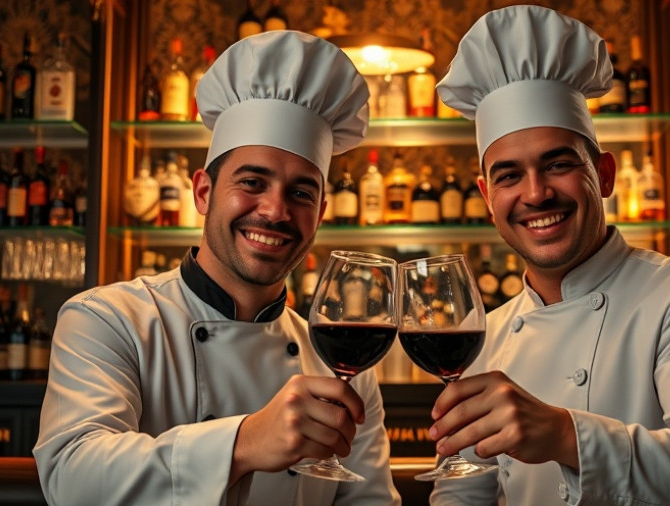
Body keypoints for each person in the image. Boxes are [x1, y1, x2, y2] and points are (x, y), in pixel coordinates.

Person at [33, 31, 400, 505]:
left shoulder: (342, 366)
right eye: (252, 181)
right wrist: (244, 443)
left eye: (301, 193)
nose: (274, 211)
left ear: (321, 213)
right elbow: (71, 479)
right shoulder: (107, 319)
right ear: (203, 192)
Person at [429, 6, 670, 505]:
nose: (536, 193)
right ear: (487, 197)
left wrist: (564, 434)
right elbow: (462, 495)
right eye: (509, 176)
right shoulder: (483, 337)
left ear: (605, 175)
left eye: (558, 164)